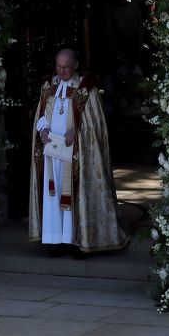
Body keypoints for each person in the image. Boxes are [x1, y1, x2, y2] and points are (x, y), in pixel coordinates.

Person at [28, 48, 131, 256]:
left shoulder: (87, 89)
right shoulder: (49, 86)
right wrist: (43, 128)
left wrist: (76, 133)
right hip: (52, 155)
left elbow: (95, 126)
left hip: (78, 155)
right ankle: (59, 241)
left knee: (76, 195)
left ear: (75, 65)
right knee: (54, 196)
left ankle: (79, 241)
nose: (62, 71)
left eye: (66, 67)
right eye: (59, 67)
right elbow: (42, 114)